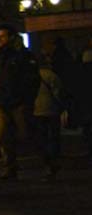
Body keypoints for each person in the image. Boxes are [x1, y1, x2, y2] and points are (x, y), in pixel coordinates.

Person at [0, 24, 39, 181]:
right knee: (4, 136)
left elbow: (32, 79)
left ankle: (48, 160)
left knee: (26, 132)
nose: (0, 40)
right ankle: (10, 167)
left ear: (12, 37)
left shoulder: (23, 55)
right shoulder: (0, 55)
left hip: (18, 100)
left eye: (3, 37)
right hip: (2, 100)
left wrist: (27, 98)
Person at [34, 52, 64, 181]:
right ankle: (54, 160)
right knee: (53, 137)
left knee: (42, 137)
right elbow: (58, 92)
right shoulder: (51, 75)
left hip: (36, 110)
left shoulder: (31, 76)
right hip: (52, 109)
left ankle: (47, 162)